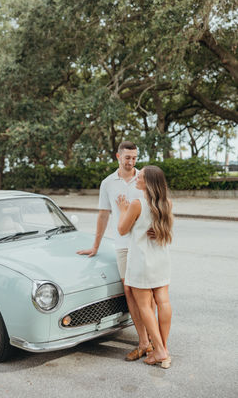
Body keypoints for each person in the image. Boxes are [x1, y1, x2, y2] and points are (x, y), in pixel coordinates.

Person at [77, 141, 153, 361]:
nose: (131, 162)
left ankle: (154, 341)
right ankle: (144, 342)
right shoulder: (108, 183)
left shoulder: (143, 178)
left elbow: (158, 206)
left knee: (147, 294)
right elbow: (103, 215)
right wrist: (95, 246)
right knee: (129, 292)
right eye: (127, 157)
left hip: (143, 244)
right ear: (117, 156)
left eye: (134, 157)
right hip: (122, 246)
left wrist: (157, 229)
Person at [116, 165, 173, 368]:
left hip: (142, 261)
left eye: (139, 177)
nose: (136, 179)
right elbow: (166, 231)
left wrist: (123, 210)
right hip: (161, 259)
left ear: (148, 182)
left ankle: (159, 350)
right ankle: (163, 347)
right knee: (163, 302)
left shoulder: (137, 204)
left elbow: (122, 230)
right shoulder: (166, 203)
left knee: (144, 307)